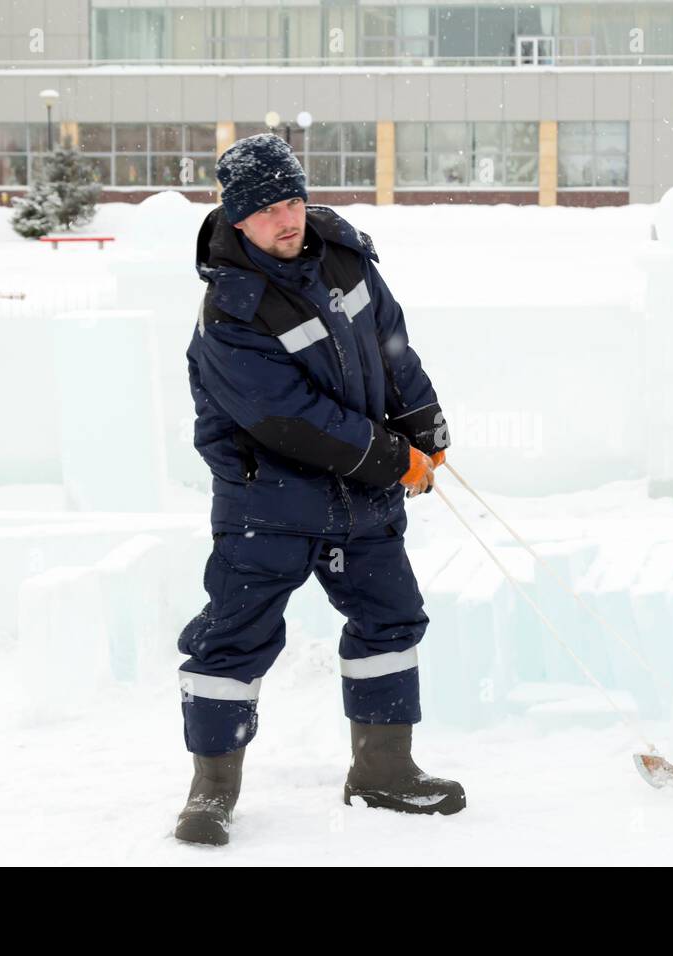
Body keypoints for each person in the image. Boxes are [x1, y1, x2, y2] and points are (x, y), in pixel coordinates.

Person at [175, 133, 464, 846]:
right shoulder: (229, 312)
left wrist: (423, 423)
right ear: (237, 218)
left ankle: (383, 773)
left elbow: (390, 343)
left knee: (392, 621)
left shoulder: (342, 254)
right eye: (268, 208)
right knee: (233, 642)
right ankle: (211, 793)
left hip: (360, 499)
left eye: (294, 199)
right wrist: (389, 457)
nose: (287, 217)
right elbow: (289, 420)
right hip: (265, 505)